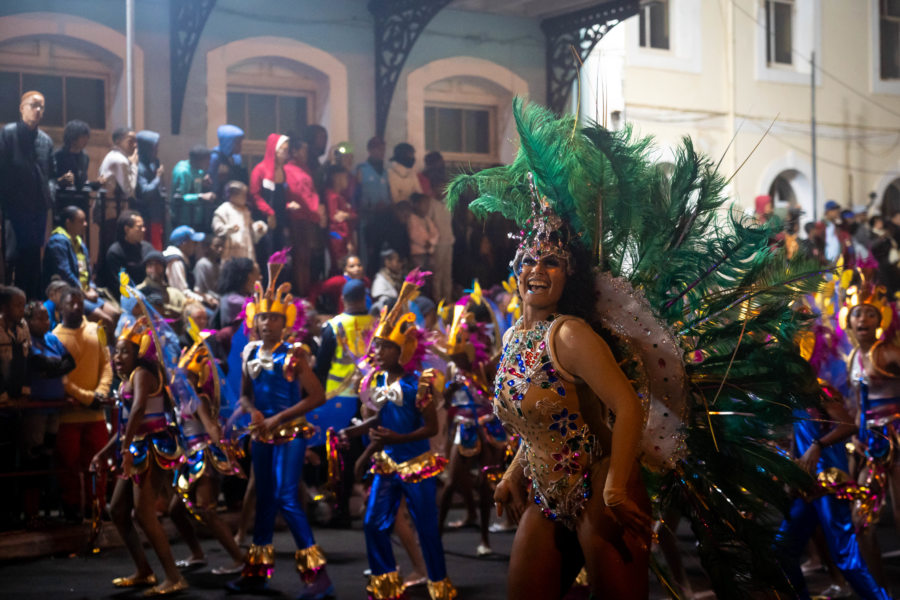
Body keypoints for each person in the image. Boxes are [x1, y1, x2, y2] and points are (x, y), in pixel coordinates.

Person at [446, 99, 831, 598]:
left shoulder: (569, 334)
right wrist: (514, 473)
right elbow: (545, 419)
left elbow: (625, 404)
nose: (538, 270)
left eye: (553, 262)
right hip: (547, 491)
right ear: (516, 267)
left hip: (602, 488)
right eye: (530, 259)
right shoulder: (515, 336)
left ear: (570, 276)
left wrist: (614, 486)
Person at [339, 269, 456, 600]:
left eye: (383, 347)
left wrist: (396, 439)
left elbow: (431, 428)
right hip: (388, 465)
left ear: (401, 350)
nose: (375, 352)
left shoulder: (418, 384)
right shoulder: (377, 382)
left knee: (427, 530)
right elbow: (378, 416)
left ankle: (439, 587)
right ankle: (386, 584)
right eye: (375, 346)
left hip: (416, 464)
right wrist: (354, 430)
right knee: (373, 523)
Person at [227, 254, 332, 598]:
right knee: (266, 499)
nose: (266, 323)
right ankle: (256, 570)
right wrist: (252, 412)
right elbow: (243, 395)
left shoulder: (295, 353)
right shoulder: (250, 353)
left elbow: (317, 396)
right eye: (262, 318)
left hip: (289, 433)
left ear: (284, 321)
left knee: (287, 496)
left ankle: (318, 576)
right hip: (262, 433)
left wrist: (278, 417)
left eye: (273, 317)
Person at [90, 316, 188, 596]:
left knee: (144, 514)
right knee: (118, 510)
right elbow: (123, 426)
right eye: (116, 351)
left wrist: (124, 449)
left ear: (139, 353)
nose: (118, 356)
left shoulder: (143, 374)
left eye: (125, 351)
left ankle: (174, 577)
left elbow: (139, 410)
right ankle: (145, 571)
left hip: (153, 448)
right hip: (135, 447)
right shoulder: (125, 382)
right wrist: (105, 451)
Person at [775, 380, 890, 600]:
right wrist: (793, 469)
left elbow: (848, 425)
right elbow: (798, 434)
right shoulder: (790, 392)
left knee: (845, 557)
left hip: (830, 484)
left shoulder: (818, 389)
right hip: (807, 486)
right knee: (783, 550)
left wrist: (817, 446)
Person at [169, 339, 246, 574]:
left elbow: (211, 428)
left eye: (187, 377)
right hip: (189, 457)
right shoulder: (182, 398)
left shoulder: (199, 399)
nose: (182, 381)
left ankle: (239, 559)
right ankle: (197, 554)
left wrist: (227, 455)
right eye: (181, 376)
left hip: (204, 457)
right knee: (176, 511)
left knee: (208, 510)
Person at [842, 283, 900, 586]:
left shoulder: (890, 353)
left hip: (898, 440)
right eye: (857, 314)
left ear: (880, 320)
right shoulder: (852, 358)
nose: (862, 319)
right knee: (860, 520)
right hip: (870, 445)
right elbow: (857, 406)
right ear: (848, 321)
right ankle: (878, 592)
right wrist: (855, 436)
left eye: (869, 314)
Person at [438, 301, 506, 557]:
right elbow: (445, 403)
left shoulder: (484, 366)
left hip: (487, 426)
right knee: (452, 481)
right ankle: (436, 534)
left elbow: (496, 389)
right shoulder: (453, 369)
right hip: (464, 426)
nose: (454, 357)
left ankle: (485, 539)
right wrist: (450, 390)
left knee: (486, 482)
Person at [310, 279, 374, 525]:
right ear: (364, 297)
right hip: (370, 397)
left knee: (340, 456)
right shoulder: (376, 324)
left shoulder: (334, 326)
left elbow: (323, 366)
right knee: (368, 451)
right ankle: (371, 503)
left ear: (344, 299)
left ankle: (342, 510)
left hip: (339, 399)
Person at [53, 286, 112, 523]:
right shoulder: (55, 337)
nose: (77, 306)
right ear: (61, 308)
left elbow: (106, 365)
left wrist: (101, 392)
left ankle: (96, 505)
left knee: (98, 464)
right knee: (69, 465)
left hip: (95, 414)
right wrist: (89, 398)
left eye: (79, 303)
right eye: (71, 303)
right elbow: (62, 379)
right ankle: (72, 506)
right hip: (70, 414)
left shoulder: (97, 330)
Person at [23, 300, 74, 526]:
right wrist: (54, 366)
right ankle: (31, 511)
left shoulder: (52, 338)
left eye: (47, 318)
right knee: (33, 456)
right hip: (37, 408)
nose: (47, 321)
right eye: (41, 318)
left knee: (49, 455)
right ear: (29, 320)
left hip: (56, 406)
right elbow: (37, 362)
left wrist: (51, 368)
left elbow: (69, 362)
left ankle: (47, 508)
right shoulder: (27, 340)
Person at [250, 134, 320, 294]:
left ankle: (279, 289)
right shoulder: (260, 170)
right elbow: (255, 195)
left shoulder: (282, 171)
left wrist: (288, 206)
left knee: (280, 256)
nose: (286, 154)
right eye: (284, 150)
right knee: (266, 254)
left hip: (281, 219)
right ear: (274, 150)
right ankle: (266, 290)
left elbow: (281, 197)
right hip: (265, 220)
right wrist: (269, 212)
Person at [0, 91, 54, 296]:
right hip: (14, 209)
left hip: (37, 209)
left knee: (33, 259)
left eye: (41, 106)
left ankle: (30, 305)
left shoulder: (46, 141)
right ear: (22, 108)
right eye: (33, 105)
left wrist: (50, 195)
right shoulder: (8, 134)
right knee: (13, 258)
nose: (38, 110)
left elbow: (52, 175)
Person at [43, 206, 118, 329]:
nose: (85, 224)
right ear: (68, 222)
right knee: (106, 320)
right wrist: (83, 292)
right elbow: (65, 273)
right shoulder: (58, 242)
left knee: (115, 314)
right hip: (70, 294)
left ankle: (105, 347)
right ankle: (100, 347)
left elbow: (86, 272)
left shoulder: (79, 241)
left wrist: (91, 288)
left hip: (85, 292)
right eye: (81, 221)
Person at [355, 136, 391, 276]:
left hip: (383, 220)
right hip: (367, 220)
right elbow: (356, 196)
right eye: (378, 149)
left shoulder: (385, 172)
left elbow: (388, 194)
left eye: (383, 149)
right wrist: (368, 207)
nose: (381, 152)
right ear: (370, 150)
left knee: (381, 254)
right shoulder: (361, 170)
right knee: (366, 255)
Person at [421, 152, 454, 302]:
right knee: (437, 274)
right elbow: (429, 224)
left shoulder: (448, 202)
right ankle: (437, 301)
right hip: (438, 243)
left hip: (449, 241)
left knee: (447, 273)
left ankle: (447, 300)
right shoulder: (431, 204)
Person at [212, 180, 267, 263]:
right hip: (230, 252)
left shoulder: (245, 211)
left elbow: (251, 231)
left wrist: (258, 228)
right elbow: (217, 228)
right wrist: (230, 228)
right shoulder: (223, 210)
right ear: (233, 195)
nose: (245, 198)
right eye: (243, 195)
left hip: (247, 252)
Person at [103, 210, 155, 295]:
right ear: (127, 229)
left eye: (143, 226)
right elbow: (120, 285)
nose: (144, 230)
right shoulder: (115, 252)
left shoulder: (147, 248)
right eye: (139, 227)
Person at [171, 144, 216, 232]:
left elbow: (196, 181)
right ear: (198, 160)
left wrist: (204, 181)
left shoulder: (199, 170)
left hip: (197, 219)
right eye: (207, 161)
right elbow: (179, 198)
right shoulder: (183, 172)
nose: (209, 163)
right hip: (183, 220)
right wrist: (201, 196)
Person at [135, 130, 166, 248]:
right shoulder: (139, 167)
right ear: (145, 149)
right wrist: (158, 177)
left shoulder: (153, 164)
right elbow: (145, 192)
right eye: (154, 148)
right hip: (146, 216)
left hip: (156, 216)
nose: (156, 151)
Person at [323, 164, 357, 272]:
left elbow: (351, 214)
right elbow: (336, 222)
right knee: (340, 267)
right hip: (337, 240)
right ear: (336, 178)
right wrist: (347, 242)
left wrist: (348, 215)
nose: (347, 180)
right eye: (345, 177)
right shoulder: (332, 197)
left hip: (341, 238)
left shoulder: (341, 196)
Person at [137, 251, 186, 320]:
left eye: (158, 264)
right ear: (145, 269)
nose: (154, 268)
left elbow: (186, 309)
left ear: (164, 267)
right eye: (150, 265)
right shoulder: (138, 292)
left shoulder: (175, 293)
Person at [209, 124, 248, 201]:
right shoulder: (215, 158)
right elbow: (213, 184)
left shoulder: (236, 157)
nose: (240, 146)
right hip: (219, 199)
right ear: (228, 142)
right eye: (237, 143)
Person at [164, 225, 204, 294]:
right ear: (184, 244)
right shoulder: (175, 261)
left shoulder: (181, 258)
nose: (195, 246)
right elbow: (181, 292)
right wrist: (202, 299)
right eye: (194, 242)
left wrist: (202, 295)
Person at [193, 234, 224, 302]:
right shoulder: (202, 264)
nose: (220, 249)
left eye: (222, 246)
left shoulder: (219, 265)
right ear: (208, 247)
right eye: (216, 246)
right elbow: (200, 290)